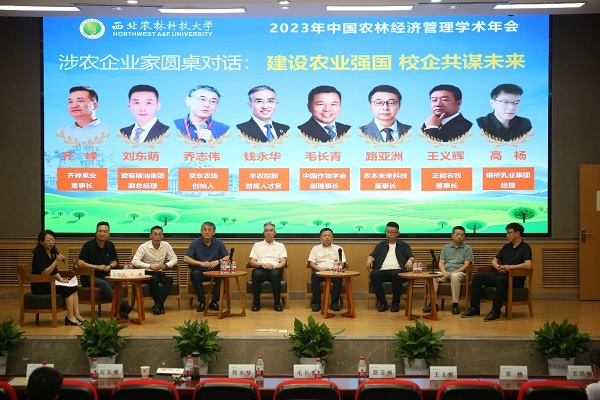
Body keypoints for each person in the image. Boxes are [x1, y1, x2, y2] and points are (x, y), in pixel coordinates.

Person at [462, 222, 532, 321]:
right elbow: (494, 260)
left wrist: (510, 267)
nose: (506, 235)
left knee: (501, 279)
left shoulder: (525, 248)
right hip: (501, 274)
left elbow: (528, 265)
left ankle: (495, 311)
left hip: (515, 278)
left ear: (517, 234)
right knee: (477, 277)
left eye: (509, 233)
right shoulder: (507, 247)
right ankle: (474, 308)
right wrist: (498, 267)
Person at [77, 221, 133, 319]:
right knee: (104, 283)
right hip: (89, 277)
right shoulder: (88, 245)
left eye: (105, 231)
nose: (102, 233)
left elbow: (116, 261)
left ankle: (118, 311)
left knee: (117, 283)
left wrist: (110, 266)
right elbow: (80, 263)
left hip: (104, 276)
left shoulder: (110, 245)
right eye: (100, 231)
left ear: (108, 234)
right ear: (96, 232)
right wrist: (97, 267)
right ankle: (122, 305)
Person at [31, 230, 84, 326]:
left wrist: (60, 279)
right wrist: (56, 261)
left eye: (53, 239)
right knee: (68, 289)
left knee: (74, 288)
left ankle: (77, 315)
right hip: (40, 285)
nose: (51, 242)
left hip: (50, 282)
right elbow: (44, 274)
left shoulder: (53, 252)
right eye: (48, 240)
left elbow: (54, 270)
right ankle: (70, 317)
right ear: (41, 242)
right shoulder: (38, 255)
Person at [366, 221, 414, 313]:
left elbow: (411, 256)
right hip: (383, 271)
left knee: (396, 274)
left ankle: (395, 304)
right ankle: (383, 303)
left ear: (398, 233)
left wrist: (410, 261)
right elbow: (372, 255)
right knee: (374, 274)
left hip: (398, 271)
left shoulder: (404, 245)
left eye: (392, 232)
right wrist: (369, 260)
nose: (389, 234)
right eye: (387, 231)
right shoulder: (380, 245)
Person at [424, 226, 473, 315]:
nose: (459, 237)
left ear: (464, 236)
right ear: (452, 236)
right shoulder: (446, 247)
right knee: (433, 277)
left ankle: (455, 304)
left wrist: (453, 273)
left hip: (460, 274)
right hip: (446, 273)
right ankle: (433, 304)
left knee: (454, 276)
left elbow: (466, 265)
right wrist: (444, 272)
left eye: (462, 235)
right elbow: (441, 262)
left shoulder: (467, 248)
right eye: (457, 234)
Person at [183, 221, 229, 312]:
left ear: (214, 232)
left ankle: (214, 302)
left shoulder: (219, 243)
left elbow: (228, 257)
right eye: (204, 230)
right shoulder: (195, 243)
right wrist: (201, 263)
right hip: (200, 271)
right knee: (194, 274)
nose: (207, 232)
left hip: (214, 272)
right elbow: (186, 258)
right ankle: (202, 302)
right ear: (201, 231)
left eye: (209, 230)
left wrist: (218, 261)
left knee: (223, 276)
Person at [131, 225, 177, 315]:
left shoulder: (166, 245)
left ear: (163, 236)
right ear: (150, 236)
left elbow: (174, 259)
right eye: (155, 234)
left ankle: (158, 305)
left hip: (158, 272)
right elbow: (134, 261)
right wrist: (149, 266)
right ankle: (160, 306)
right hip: (146, 273)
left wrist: (165, 265)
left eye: (160, 234)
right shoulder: (144, 246)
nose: (157, 237)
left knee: (169, 280)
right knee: (153, 278)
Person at [248, 222, 288, 312]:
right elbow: (252, 262)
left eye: (271, 230)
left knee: (275, 275)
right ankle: (256, 304)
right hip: (260, 269)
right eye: (266, 231)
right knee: (256, 274)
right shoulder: (257, 245)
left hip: (275, 269)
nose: (268, 233)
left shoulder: (280, 246)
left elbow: (283, 262)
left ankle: (277, 304)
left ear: (275, 233)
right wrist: (262, 264)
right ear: (263, 233)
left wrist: (273, 266)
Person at [308, 228, 346, 312]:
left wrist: (334, 269)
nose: (327, 237)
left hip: (334, 271)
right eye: (324, 236)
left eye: (329, 235)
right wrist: (320, 269)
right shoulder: (315, 248)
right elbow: (311, 263)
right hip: (320, 271)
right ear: (320, 238)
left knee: (339, 278)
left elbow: (342, 262)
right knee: (314, 276)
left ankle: (334, 303)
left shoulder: (339, 248)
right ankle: (317, 303)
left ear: (332, 238)